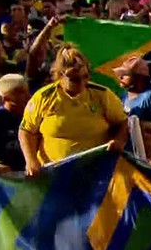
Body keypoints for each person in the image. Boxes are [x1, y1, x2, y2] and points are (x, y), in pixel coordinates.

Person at [19, 44, 128, 176]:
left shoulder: (102, 95)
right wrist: (30, 160)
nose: (82, 83)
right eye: (74, 79)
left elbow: (122, 122)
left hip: (94, 173)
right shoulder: (44, 97)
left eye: (86, 76)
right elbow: (27, 131)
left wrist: (119, 141)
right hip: (53, 174)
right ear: (60, 75)